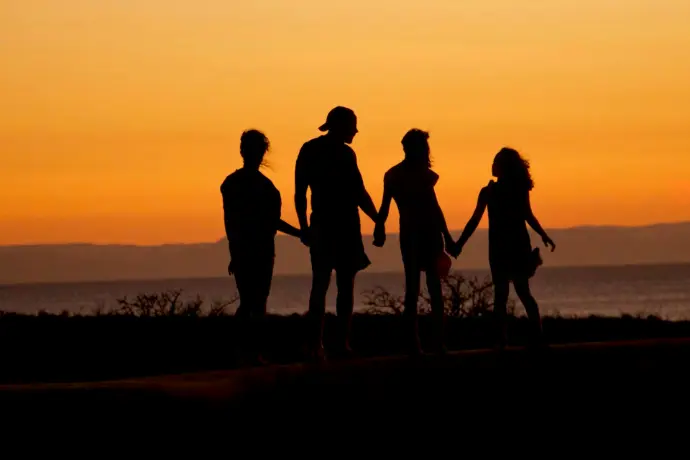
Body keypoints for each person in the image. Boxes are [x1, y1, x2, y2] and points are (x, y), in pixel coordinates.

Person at [294, 106, 378, 359]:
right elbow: (301, 193)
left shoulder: (329, 151)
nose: (356, 131)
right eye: (352, 125)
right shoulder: (322, 151)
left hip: (336, 225)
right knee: (332, 286)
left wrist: (378, 219)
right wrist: (304, 228)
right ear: (340, 126)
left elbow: (358, 192)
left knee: (328, 285)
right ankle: (324, 344)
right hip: (333, 225)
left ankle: (331, 344)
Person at [454, 147, 556, 349]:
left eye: (495, 162)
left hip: (506, 246)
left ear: (502, 167)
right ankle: (524, 337)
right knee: (516, 293)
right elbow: (476, 221)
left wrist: (459, 244)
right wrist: (460, 244)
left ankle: (510, 339)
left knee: (509, 294)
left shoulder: (496, 191)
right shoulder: (496, 191)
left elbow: (526, 215)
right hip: (510, 245)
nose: (492, 165)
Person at [221, 129, 301, 365]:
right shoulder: (238, 184)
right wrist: (234, 252)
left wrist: (299, 233)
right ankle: (247, 351)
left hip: (260, 249)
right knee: (252, 301)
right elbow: (233, 222)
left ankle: (249, 351)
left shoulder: (255, 185)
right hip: (251, 249)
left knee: (255, 301)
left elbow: (266, 222)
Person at [374, 129, 455, 355]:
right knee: (430, 289)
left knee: (416, 288)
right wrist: (447, 237)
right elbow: (434, 209)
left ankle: (420, 342)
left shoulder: (395, 175)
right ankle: (431, 342)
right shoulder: (419, 175)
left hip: (413, 233)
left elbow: (384, 209)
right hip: (422, 233)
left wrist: (379, 228)